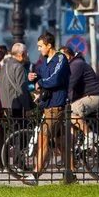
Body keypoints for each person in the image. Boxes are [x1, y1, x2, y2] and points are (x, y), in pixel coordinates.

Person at [24, 33, 68, 184]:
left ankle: (35, 175)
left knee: (43, 138)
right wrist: (33, 77)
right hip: (49, 105)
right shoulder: (45, 61)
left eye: (40, 46)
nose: (38, 49)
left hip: (56, 105)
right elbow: (41, 75)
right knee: (61, 142)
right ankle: (71, 174)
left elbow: (54, 79)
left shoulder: (60, 58)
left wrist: (40, 82)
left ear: (49, 45)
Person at [63, 45, 99, 141]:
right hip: (87, 96)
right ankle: (74, 148)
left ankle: (90, 135)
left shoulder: (76, 64)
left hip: (93, 96)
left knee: (69, 113)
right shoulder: (73, 64)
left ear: (68, 55)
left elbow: (69, 84)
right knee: (72, 123)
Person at [0, 43, 34, 120]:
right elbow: (22, 88)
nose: (27, 56)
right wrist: (29, 107)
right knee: (19, 129)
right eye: (26, 53)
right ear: (21, 54)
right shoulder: (18, 66)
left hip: (5, 103)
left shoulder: (4, 65)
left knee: (12, 129)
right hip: (16, 104)